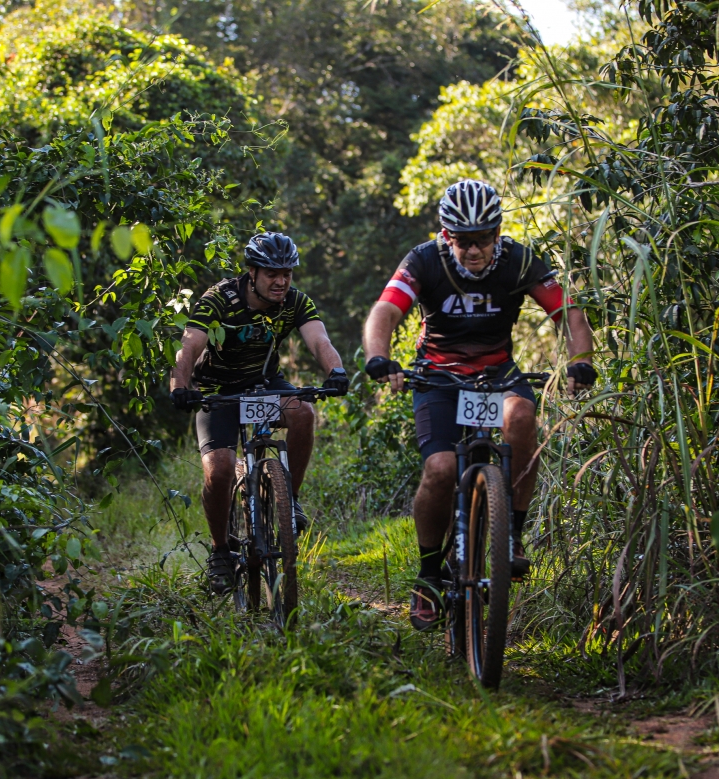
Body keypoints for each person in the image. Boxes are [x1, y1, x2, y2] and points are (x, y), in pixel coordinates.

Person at [361, 179, 597, 630]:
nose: (473, 250)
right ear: (446, 235)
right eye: (462, 240)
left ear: (497, 233)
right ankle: (429, 575)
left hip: (497, 373)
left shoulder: (519, 260)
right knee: (441, 469)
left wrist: (580, 362)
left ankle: (512, 536)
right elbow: (385, 312)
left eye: (483, 239)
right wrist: (378, 356)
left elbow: (568, 313)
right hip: (439, 376)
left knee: (522, 415)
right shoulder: (423, 259)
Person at [170, 231, 348, 595]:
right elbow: (189, 347)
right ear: (252, 272)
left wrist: (336, 371)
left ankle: (288, 501)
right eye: (272, 274)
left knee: (303, 413)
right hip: (217, 391)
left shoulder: (295, 301)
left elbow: (319, 340)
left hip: (263, 384)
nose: (281, 281)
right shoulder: (219, 299)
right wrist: (179, 387)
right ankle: (221, 551)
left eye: (287, 273)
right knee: (219, 470)